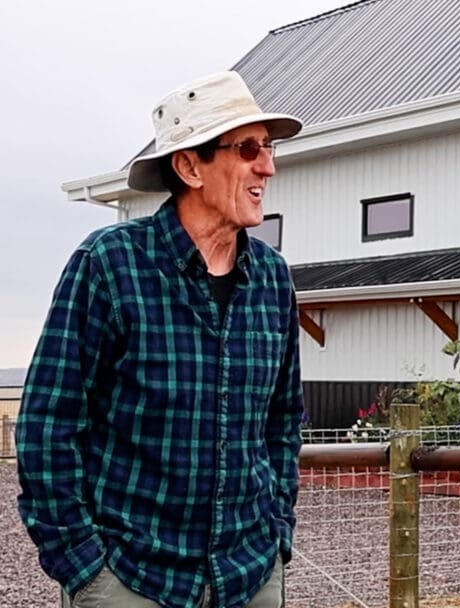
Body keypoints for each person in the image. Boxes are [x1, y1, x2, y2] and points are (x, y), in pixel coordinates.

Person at [17, 71, 304, 608]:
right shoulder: (109, 264)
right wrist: (84, 567)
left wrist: (276, 537)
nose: (268, 165)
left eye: (268, 147)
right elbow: (47, 425)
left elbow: (282, 422)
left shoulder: (273, 278)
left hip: (249, 576)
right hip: (132, 579)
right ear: (190, 166)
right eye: (247, 148)